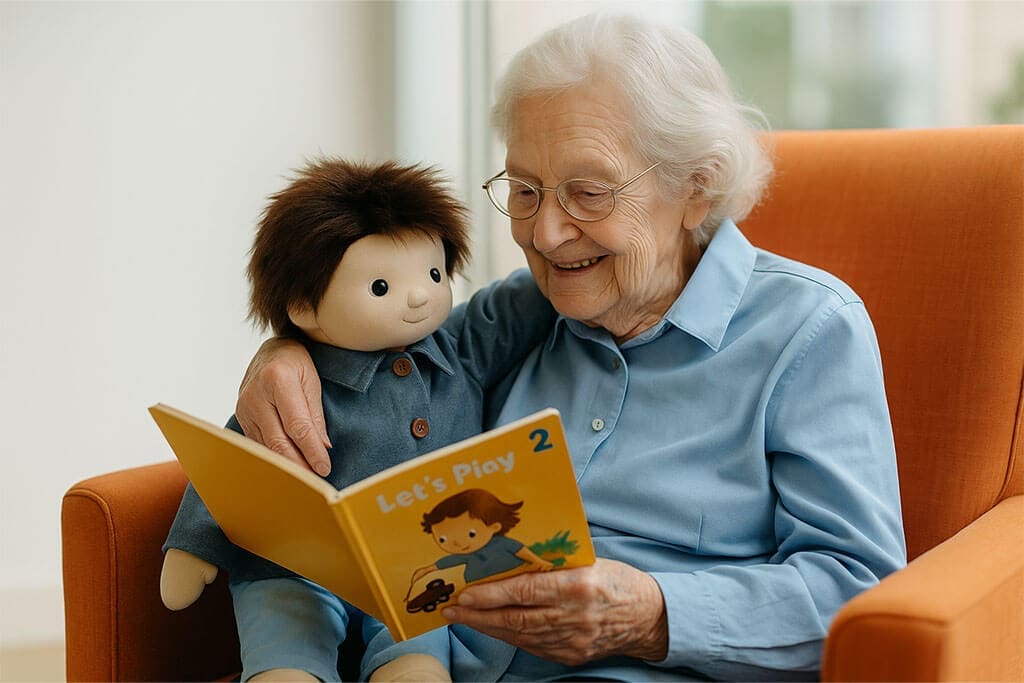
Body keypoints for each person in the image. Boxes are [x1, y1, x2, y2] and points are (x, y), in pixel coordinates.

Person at [235, 13, 906, 681]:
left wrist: (653, 612)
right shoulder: (522, 312)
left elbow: (860, 593)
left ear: (695, 187)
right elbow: (386, 361)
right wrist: (288, 352)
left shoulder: (806, 330)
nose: (547, 234)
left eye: (587, 193)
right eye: (525, 190)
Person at [161, 159, 556, 682]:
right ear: (302, 306)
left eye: (434, 274)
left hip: (410, 568)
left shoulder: (461, 348)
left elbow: (521, 299)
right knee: (284, 636)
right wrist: (193, 546)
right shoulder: (292, 386)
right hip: (292, 566)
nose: (420, 295)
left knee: (416, 649)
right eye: (380, 287)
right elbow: (230, 471)